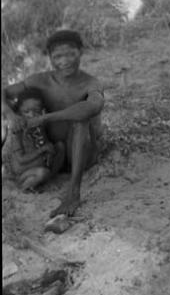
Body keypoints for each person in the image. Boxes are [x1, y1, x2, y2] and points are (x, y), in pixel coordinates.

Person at [2, 29, 105, 217]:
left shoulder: (90, 83)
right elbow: (4, 92)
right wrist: (10, 114)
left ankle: (73, 192)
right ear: (50, 57)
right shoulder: (40, 80)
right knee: (16, 114)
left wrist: (44, 118)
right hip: (53, 155)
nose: (64, 61)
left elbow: (92, 108)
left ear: (81, 52)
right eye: (58, 56)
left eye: (70, 54)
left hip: (83, 156)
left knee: (79, 120)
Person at [3, 87, 64, 190]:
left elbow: (43, 141)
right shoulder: (17, 131)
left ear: (42, 112)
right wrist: (43, 149)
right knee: (42, 173)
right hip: (22, 171)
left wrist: (49, 150)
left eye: (36, 111)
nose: (31, 115)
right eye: (26, 112)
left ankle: (46, 180)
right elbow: (21, 159)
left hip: (40, 162)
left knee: (61, 147)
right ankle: (22, 185)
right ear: (18, 113)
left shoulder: (39, 124)